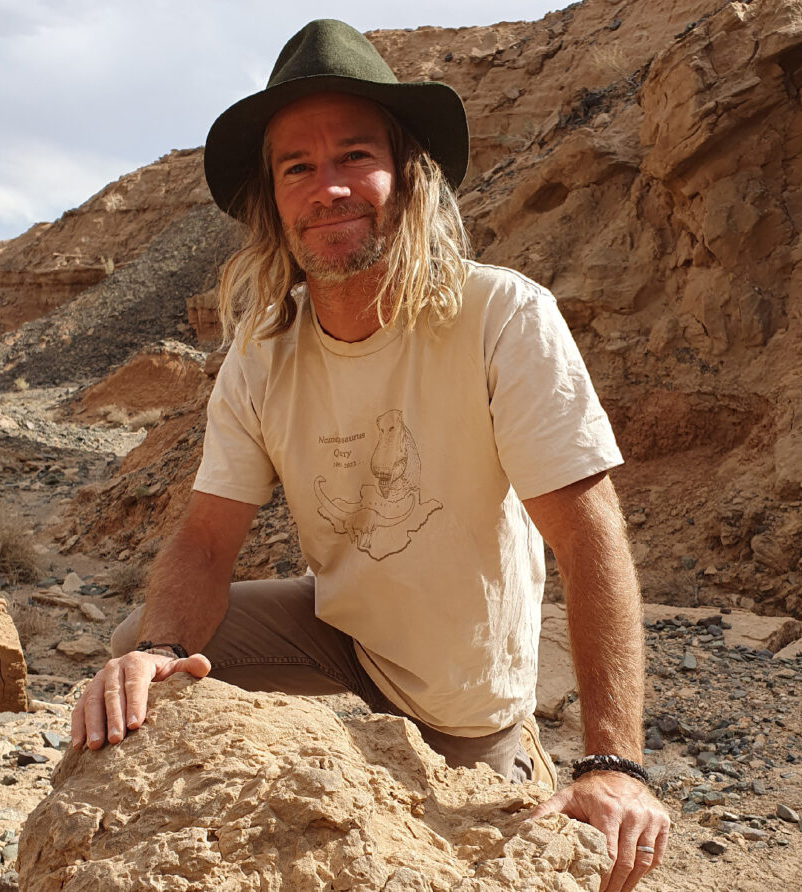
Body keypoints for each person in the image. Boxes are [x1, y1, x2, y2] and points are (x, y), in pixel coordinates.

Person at [71, 19, 670, 891]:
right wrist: (159, 649)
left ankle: (513, 762)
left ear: (409, 176)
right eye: (299, 168)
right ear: (275, 202)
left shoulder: (500, 317)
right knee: (142, 665)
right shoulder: (261, 352)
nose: (331, 188)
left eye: (356, 157)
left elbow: (588, 539)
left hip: (465, 707)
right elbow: (204, 541)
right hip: (343, 648)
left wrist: (616, 760)